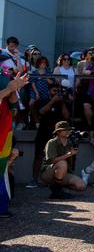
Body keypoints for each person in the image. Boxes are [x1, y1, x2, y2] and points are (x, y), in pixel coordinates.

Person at [26, 84, 70, 189]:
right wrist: (52, 101)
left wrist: (62, 103)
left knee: (59, 159)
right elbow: (41, 111)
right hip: (43, 133)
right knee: (39, 157)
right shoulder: (44, 100)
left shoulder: (62, 103)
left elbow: (67, 116)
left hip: (56, 137)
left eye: (58, 91)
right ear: (49, 91)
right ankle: (34, 180)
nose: (57, 93)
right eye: (54, 91)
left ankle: (57, 181)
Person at [0, 72, 29, 216]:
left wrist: (15, 87)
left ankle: (2, 207)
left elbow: (12, 104)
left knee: (2, 171)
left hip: (4, 134)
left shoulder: (3, 76)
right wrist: (9, 88)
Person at [40, 121, 86, 199]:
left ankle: (58, 187)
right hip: (47, 173)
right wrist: (69, 154)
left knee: (81, 186)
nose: (67, 131)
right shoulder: (51, 143)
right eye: (65, 130)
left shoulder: (70, 142)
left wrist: (75, 145)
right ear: (58, 132)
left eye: (68, 129)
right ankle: (57, 191)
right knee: (62, 163)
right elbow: (52, 161)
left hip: (63, 173)